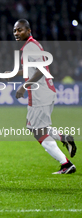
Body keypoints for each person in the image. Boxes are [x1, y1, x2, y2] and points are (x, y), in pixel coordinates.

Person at [12, 19, 76, 174]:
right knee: (40, 127)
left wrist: (23, 86)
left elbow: (41, 70)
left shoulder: (31, 47)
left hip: (40, 95)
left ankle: (66, 164)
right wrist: (15, 73)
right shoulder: (31, 46)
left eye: (20, 30)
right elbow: (33, 70)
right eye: (15, 30)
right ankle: (64, 138)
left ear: (28, 30)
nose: (16, 33)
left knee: (37, 130)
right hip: (43, 93)